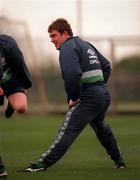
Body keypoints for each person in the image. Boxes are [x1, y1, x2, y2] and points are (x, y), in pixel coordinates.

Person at [23, 18, 125, 172]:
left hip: (89, 98)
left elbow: (72, 74)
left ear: (65, 33)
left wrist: (75, 96)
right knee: (102, 128)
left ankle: (41, 164)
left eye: (54, 36)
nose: (52, 40)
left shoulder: (67, 47)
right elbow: (106, 66)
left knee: (67, 130)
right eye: (50, 37)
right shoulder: (86, 44)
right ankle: (119, 161)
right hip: (103, 95)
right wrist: (98, 85)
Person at [0, 34, 32, 177]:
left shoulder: (8, 44)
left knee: (22, 107)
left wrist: (24, 85)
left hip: (11, 83)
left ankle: (11, 105)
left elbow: (20, 64)